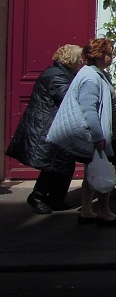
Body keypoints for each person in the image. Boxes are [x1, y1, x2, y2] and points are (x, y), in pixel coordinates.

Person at [48, 38, 116, 226]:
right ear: (99, 56)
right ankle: (104, 211)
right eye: (108, 53)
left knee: (92, 171)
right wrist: (98, 137)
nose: (112, 56)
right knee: (105, 171)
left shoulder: (97, 74)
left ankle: (87, 211)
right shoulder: (91, 77)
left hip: (103, 134)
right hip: (100, 135)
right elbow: (88, 109)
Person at [6, 44, 83, 214]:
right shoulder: (56, 76)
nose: (81, 63)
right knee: (53, 164)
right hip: (48, 126)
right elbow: (67, 98)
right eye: (79, 59)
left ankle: (55, 198)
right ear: (71, 61)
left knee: (62, 164)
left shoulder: (60, 73)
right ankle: (38, 196)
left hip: (54, 125)